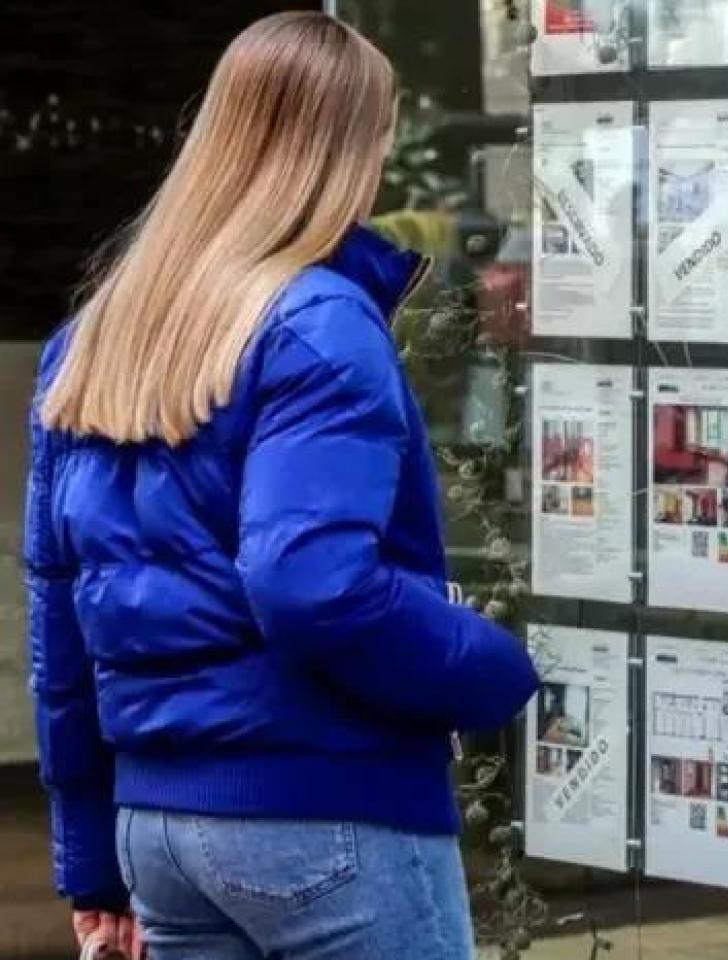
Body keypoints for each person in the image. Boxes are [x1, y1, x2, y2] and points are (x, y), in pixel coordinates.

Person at [24, 13, 539, 960]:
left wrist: (94, 863)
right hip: (328, 809)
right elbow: (310, 581)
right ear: (349, 151)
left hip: (159, 830)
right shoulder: (319, 323)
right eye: (379, 138)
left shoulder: (98, 337)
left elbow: (62, 628)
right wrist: (489, 666)